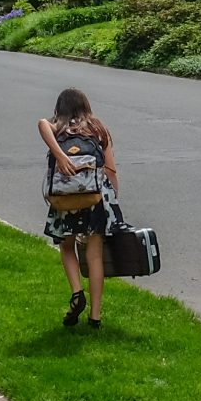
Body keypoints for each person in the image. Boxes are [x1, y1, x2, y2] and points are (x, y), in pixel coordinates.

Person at [39, 87, 119, 331]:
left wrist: (60, 155)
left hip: (66, 199)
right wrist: (113, 197)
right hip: (95, 198)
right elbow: (110, 169)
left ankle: (76, 292)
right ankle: (95, 318)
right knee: (94, 255)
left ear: (59, 108)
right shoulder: (98, 128)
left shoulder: (58, 127)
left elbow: (42, 123)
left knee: (67, 247)